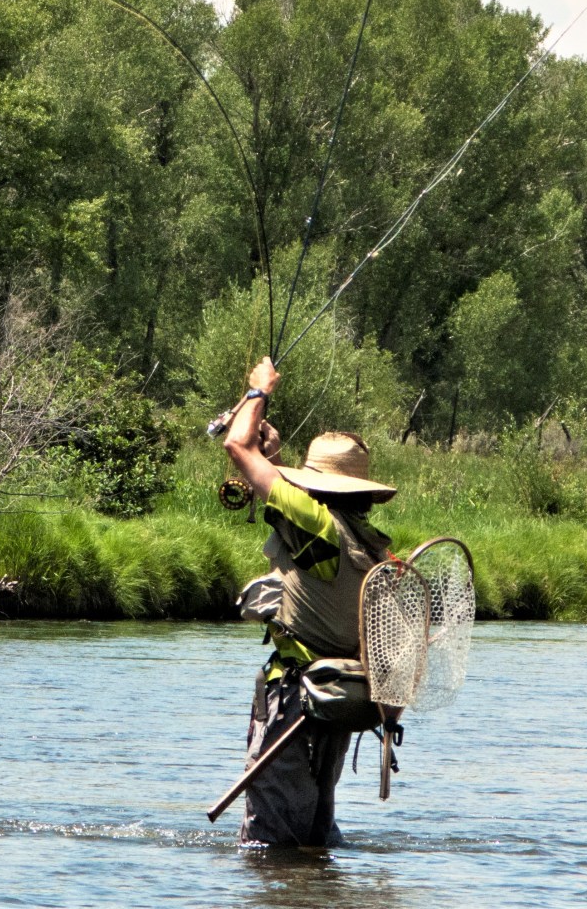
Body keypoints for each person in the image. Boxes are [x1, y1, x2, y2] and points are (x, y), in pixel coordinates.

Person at [223, 356, 397, 846]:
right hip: (337, 705)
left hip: (293, 702)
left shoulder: (315, 524)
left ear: (317, 484)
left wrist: (259, 390)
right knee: (314, 841)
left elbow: (237, 445)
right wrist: (275, 458)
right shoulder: (374, 547)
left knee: (268, 845)